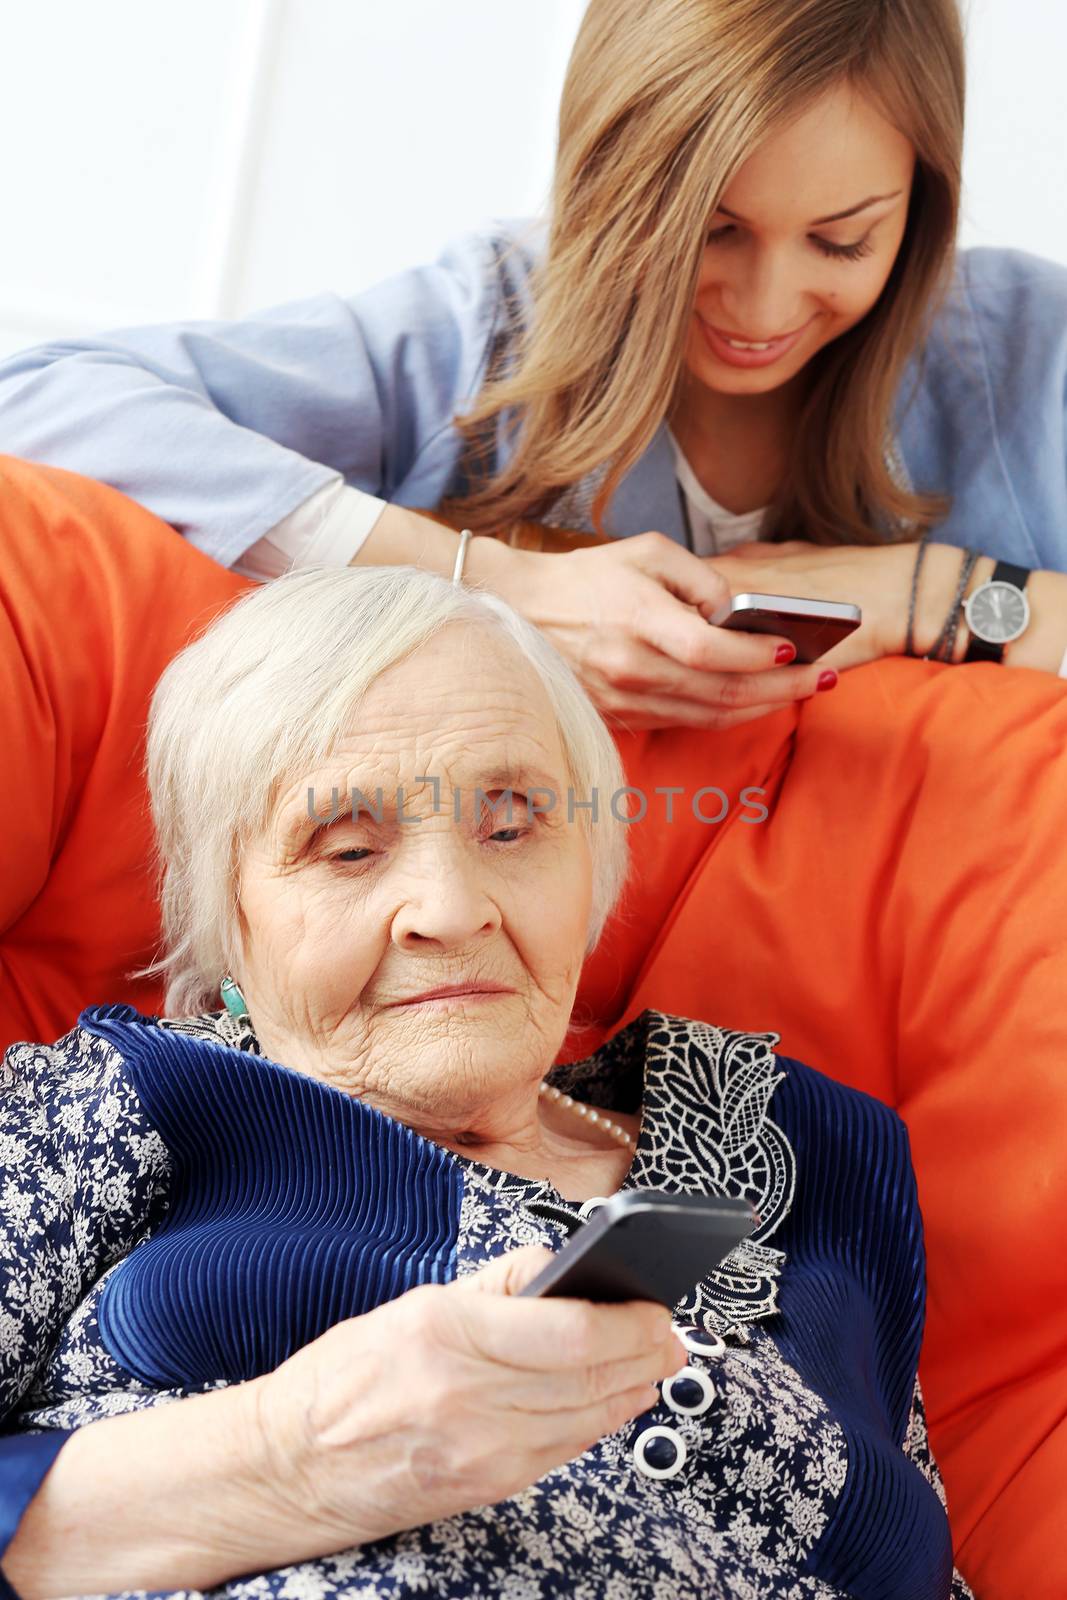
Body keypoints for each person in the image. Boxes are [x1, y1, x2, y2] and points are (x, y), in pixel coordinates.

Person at [0, 566, 974, 1600]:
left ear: (592, 867)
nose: (450, 908)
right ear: (227, 911)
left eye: (508, 827)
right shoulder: (126, 1099)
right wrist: (288, 1456)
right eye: (346, 848)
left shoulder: (798, 1142)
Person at [1, 0, 1065, 732]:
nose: (761, 305)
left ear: (917, 204)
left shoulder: (1022, 344)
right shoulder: (489, 327)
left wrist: (923, 592)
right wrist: (491, 582)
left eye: (840, 241)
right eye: (709, 231)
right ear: (612, 181)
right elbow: (39, 397)